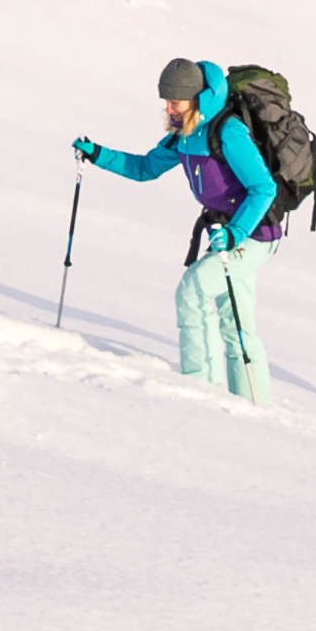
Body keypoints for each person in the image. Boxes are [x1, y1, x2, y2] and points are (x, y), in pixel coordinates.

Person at [73, 58, 278, 405]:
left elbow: (264, 188)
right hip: (228, 235)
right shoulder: (182, 136)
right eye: (166, 101)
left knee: (192, 291)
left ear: (196, 99)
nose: (169, 109)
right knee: (237, 326)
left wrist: (235, 233)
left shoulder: (227, 132)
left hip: (253, 235)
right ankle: (256, 411)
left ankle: (200, 392)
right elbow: (143, 168)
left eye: (175, 102)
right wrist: (97, 154)